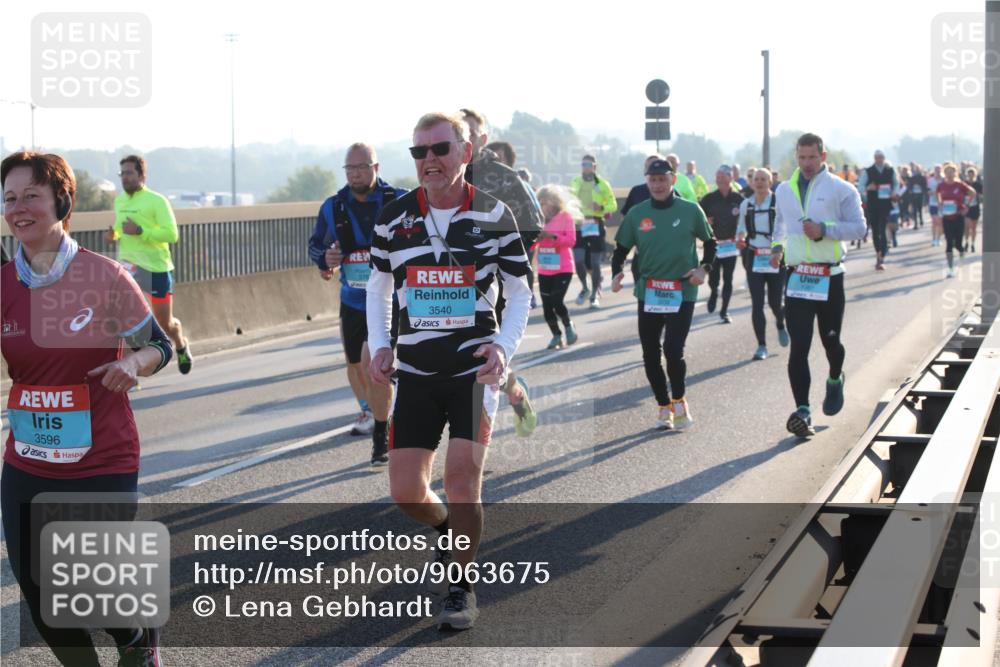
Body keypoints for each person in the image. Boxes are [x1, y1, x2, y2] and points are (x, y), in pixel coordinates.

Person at [2, 151, 173, 666]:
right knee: (41, 593)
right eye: (9, 198)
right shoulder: (3, 284)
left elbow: (159, 345)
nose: (18, 208)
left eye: (31, 196)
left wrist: (133, 363)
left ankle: (136, 639)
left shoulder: (104, 276)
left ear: (62, 202)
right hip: (28, 458)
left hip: (101, 457)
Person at [367, 112, 532, 630]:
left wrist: (503, 348)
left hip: (473, 373)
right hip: (416, 372)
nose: (429, 160)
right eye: (419, 152)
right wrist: (381, 345)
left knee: (462, 483)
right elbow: (379, 288)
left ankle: (461, 587)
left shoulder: (494, 213)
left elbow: (520, 291)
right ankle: (446, 530)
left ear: (465, 152)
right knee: (405, 492)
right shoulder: (393, 219)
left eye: (439, 149)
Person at [308, 142, 407, 464]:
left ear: (376, 168)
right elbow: (316, 245)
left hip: (389, 300)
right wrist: (325, 259)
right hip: (352, 299)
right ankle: (374, 411)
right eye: (350, 169)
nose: (355, 174)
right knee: (354, 364)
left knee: (371, 362)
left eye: (362, 168)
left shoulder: (399, 201)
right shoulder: (333, 206)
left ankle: (381, 432)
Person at [770, 134, 866, 437]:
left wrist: (824, 229)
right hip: (798, 276)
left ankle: (835, 377)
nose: (807, 163)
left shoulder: (842, 189)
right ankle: (803, 410)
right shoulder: (783, 189)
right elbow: (780, 222)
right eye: (802, 157)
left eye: (812, 157)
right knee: (799, 345)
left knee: (830, 341)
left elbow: (859, 228)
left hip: (829, 276)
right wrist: (776, 247)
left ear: (823, 156)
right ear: (796, 157)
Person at [610, 159, 716, 430]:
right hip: (650, 291)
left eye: (662, 179)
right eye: (653, 180)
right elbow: (620, 249)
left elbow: (710, 242)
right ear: (647, 181)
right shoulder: (637, 213)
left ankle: (679, 400)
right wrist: (617, 273)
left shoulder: (690, 210)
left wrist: (704, 268)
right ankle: (663, 406)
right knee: (650, 353)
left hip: (683, 289)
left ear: (673, 179)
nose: (657, 185)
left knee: (672, 349)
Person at [461, 108, 543, 437]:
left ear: (482, 138)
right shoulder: (441, 174)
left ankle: (473, 439)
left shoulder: (503, 177)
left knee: (485, 354)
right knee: (473, 356)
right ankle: (514, 390)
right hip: (455, 284)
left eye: (469, 132)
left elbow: (533, 225)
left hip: (495, 283)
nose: (463, 139)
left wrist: (499, 257)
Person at [106, 155, 192, 373]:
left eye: (129, 173)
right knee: (123, 320)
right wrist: (114, 235)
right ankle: (128, 369)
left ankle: (180, 344)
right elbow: (121, 229)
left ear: (142, 175)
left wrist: (141, 231)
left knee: (164, 324)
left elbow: (172, 234)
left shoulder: (157, 201)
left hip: (156, 268)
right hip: (129, 267)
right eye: (122, 173)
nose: (124, 177)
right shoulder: (120, 201)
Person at [736, 167, 788, 361]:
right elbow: (741, 227)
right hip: (755, 256)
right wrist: (740, 237)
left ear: (770, 182)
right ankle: (761, 345)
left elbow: (785, 228)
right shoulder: (746, 204)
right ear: (751, 182)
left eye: (763, 179)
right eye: (756, 179)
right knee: (757, 304)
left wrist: (779, 249)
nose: (759, 183)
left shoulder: (778, 202)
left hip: (775, 257)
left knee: (775, 302)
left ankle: (781, 324)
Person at [569, 154, 617, 309]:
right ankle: (585, 287)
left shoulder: (603, 184)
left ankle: (594, 295)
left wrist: (602, 207)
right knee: (578, 260)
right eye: (583, 164)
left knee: (595, 262)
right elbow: (570, 198)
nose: (586, 167)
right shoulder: (576, 181)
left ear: (595, 167)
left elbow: (613, 204)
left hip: (595, 222)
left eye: (589, 165)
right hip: (579, 223)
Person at [698, 165, 745, 323]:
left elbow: (747, 219)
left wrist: (742, 236)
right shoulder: (709, 199)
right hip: (714, 245)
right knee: (714, 278)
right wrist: (706, 221)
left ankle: (724, 311)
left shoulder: (738, 199)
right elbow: (698, 217)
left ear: (731, 179)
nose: (720, 181)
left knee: (728, 278)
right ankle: (713, 292)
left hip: (731, 245)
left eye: (723, 178)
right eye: (718, 178)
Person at [535, 185, 579, 349]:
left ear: (553, 201)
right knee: (547, 307)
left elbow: (571, 241)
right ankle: (556, 335)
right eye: (539, 203)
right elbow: (531, 245)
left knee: (556, 300)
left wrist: (552, 236)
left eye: (544, 202)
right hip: (544, 268)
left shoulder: (565, 217)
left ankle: (568, 325)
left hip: (563, 268)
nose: (542, 206)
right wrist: (536, 238)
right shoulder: (537, 218)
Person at [857, 149, 898, 271]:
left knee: (882, 229)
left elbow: (896, 183)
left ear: (884, 158)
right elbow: (860, 187)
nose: (879, 159)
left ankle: (882, 257)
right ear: (874, 158)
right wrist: (868, 188)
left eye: (881, 157)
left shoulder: (890, 170)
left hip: (885, 204)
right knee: (875, 231)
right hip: (873, 204)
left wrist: (894, 192)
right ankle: (878, 253)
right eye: (877, 157)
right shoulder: (868, 171)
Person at [936, 162, 975, 278]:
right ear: (944, 173)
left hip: (958, 216)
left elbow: (972, 193)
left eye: (951, 172)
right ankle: (950, 268)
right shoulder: (941, 185)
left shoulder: (960, 185)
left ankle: (961, 251)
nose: (949, 174)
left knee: (958, 243)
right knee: (949, 243)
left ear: (955, 173)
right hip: (947, 217)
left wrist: (966, 206)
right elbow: (937, 194)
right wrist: (940, 204)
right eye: (947, 172)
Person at [964, 166, 983, 253]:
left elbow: (982, 194)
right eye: (969, 174)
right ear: (967, 175)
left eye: (972, 174)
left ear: (975, 175)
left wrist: (978, 195)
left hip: (975, 207)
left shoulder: (978, 184)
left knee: (974, 228)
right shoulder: (965, 184)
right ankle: (966, 242)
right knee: (967, 226)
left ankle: (972, 244)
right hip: (967, 207)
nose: (970, 176)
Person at [928, 164, 944, 247]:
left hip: (942, 204)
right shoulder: (930, 180)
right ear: (934, 170)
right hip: (933, 203)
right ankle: (934, 239)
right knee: (934, 222)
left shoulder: (944, 179)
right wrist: (932, 192)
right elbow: (927, 191)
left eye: (939, 169)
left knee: (940, 223)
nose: (938, 171)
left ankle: (938, 239)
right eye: (936, 169)